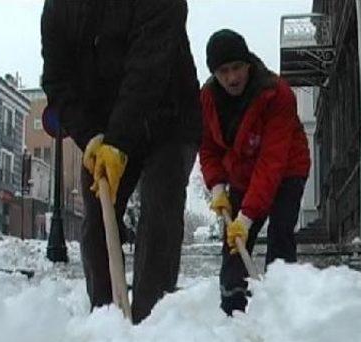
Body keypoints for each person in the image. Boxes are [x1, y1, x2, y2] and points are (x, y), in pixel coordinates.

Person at [40, 0, 202, 324]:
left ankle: (151, 321)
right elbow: (58, 81)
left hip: (168, 116)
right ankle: (105, 323)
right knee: (99, 214)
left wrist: (119, 141)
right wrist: (91, 138)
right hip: (102, 128)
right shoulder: (59, 8)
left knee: (160, 209)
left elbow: (149, 67)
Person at [199, 29, 311, 315]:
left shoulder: (276, 94)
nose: (232, 78)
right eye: (223, 71)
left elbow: (271, 162)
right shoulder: (208, 99)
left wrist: (247, 217)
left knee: (281, 232)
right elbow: (210, 148)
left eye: (237, 68)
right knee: (235, 243)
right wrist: (217, 187)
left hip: (286, 169)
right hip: (240, 174)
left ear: (248, 64)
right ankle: (233, 306)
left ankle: (280, 305)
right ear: (214, 73)